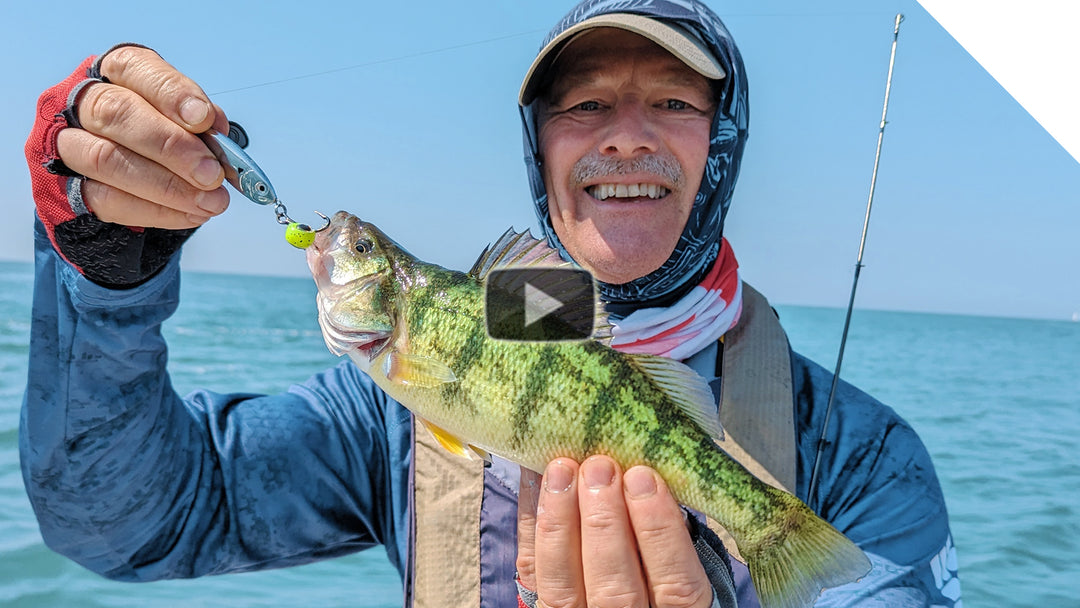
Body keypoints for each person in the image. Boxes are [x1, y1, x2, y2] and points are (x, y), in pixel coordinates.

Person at [20, 0, 961, 606]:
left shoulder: (863, 460)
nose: (625, 138)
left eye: (673, 102)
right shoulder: (393, 404)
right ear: (537, 144)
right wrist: (104, 272)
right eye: (582, 105)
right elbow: (129, 523)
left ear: (725, 143)